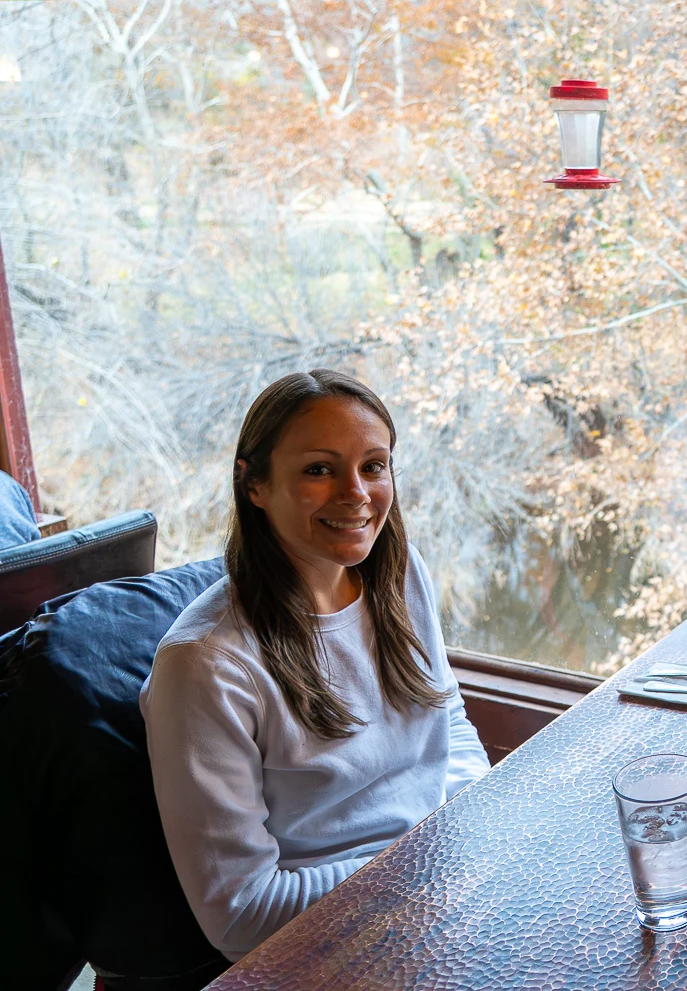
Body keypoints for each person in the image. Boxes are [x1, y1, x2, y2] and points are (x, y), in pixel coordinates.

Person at [140, 369, 489, 961]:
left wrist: (468, 831)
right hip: (328, 939)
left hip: (443, 882)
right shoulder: (205, 666)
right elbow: (240, 915)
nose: (357, 493)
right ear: (254, 485)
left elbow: (445, 714)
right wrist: (420, 862)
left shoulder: (399, 576)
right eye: (319, 470)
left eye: (374, 466)